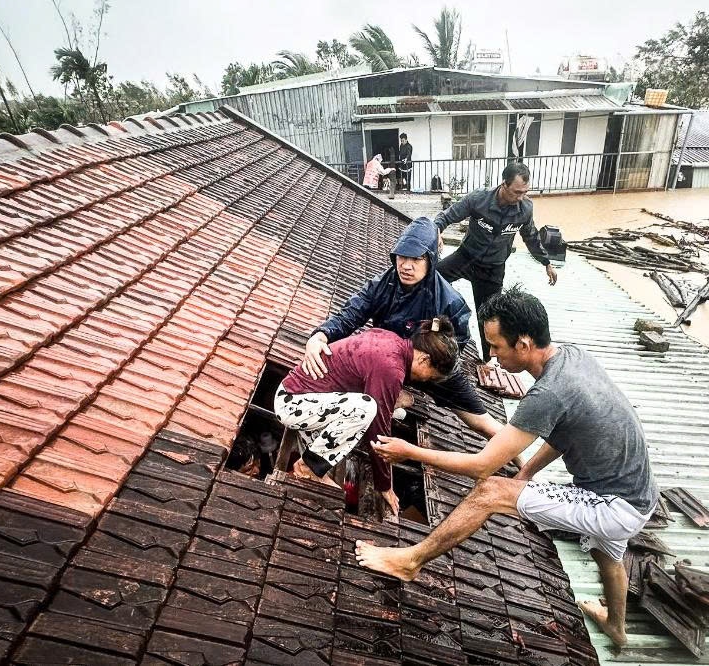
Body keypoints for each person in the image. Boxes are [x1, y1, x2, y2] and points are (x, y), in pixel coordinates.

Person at [355, 286, 657, 649]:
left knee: (491, 492)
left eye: (496, 347)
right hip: (639, 493)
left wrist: (410, 451)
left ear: (524, 344)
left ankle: (410, 561)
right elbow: (565, 434)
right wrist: (526, 474)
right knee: (606, 551)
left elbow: (482, 466)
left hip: (616, 504)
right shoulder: (574, 357)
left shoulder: (549, 393)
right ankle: (616, 627)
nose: (492, 357)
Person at [303, 217, 504, 441]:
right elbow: (350, 314)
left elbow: (456, 348)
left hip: (433, 369)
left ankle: (523, 466)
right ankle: (398, 395)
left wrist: (430, 365)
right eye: (402, 257)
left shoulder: (450, 302)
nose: (406, 266)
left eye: (416, 259)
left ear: (431, 259)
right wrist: (320, 335)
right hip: (392, 363)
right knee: (341, 376)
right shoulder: (381, 285)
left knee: (483, 423)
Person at [276, 317, 459, 518]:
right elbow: (378, 431)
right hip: (293, 404)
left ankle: (313, 463)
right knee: (367, 408)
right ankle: (308, 466)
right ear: (424, 359)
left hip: (307, 399)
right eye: (431, 376)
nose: (425, 380)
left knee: (389, 410)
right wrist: (384, 484)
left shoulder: (391, 340)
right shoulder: (391, 368)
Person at [434, 162, 558, 359]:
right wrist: (437, 231)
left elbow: (531, 237)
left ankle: (488, 360)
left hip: (493, 268)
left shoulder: (525, 208)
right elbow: (448, 215)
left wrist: (546, 262)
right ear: (504, 184)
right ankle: (435, 328)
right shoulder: (479, 199)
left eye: (525, 192)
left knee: (490, 318)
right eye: (516, 192)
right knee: (430, 279)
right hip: (467, 257)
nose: (520, 197)